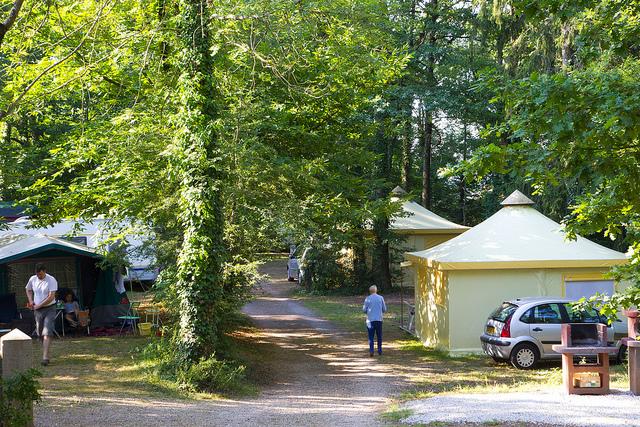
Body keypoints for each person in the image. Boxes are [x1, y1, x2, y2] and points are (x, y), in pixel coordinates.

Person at [25, 264, 58, 366]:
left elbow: (51, 297)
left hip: (50, 308)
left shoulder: (51, 280)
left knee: (47, 331)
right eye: (37, 274)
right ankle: (46, 351)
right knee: (40, 333)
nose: (39, 276)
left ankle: (45, 357)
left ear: (45, 271)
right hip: (37, 310)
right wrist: (31, 301)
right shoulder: (33, 279)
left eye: (40, 274)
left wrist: (39, 305)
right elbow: (28, 289)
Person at [362, 285, 386, 356]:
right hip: (379, 320)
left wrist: (369, 311)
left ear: (370, 291)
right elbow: (384, 309)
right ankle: (379, 350)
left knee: (371, 336)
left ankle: (371, 350)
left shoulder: (367, 299)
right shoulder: (381, 298)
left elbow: (364, 310)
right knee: (379, 336)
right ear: (376, 290)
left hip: (370, 320)